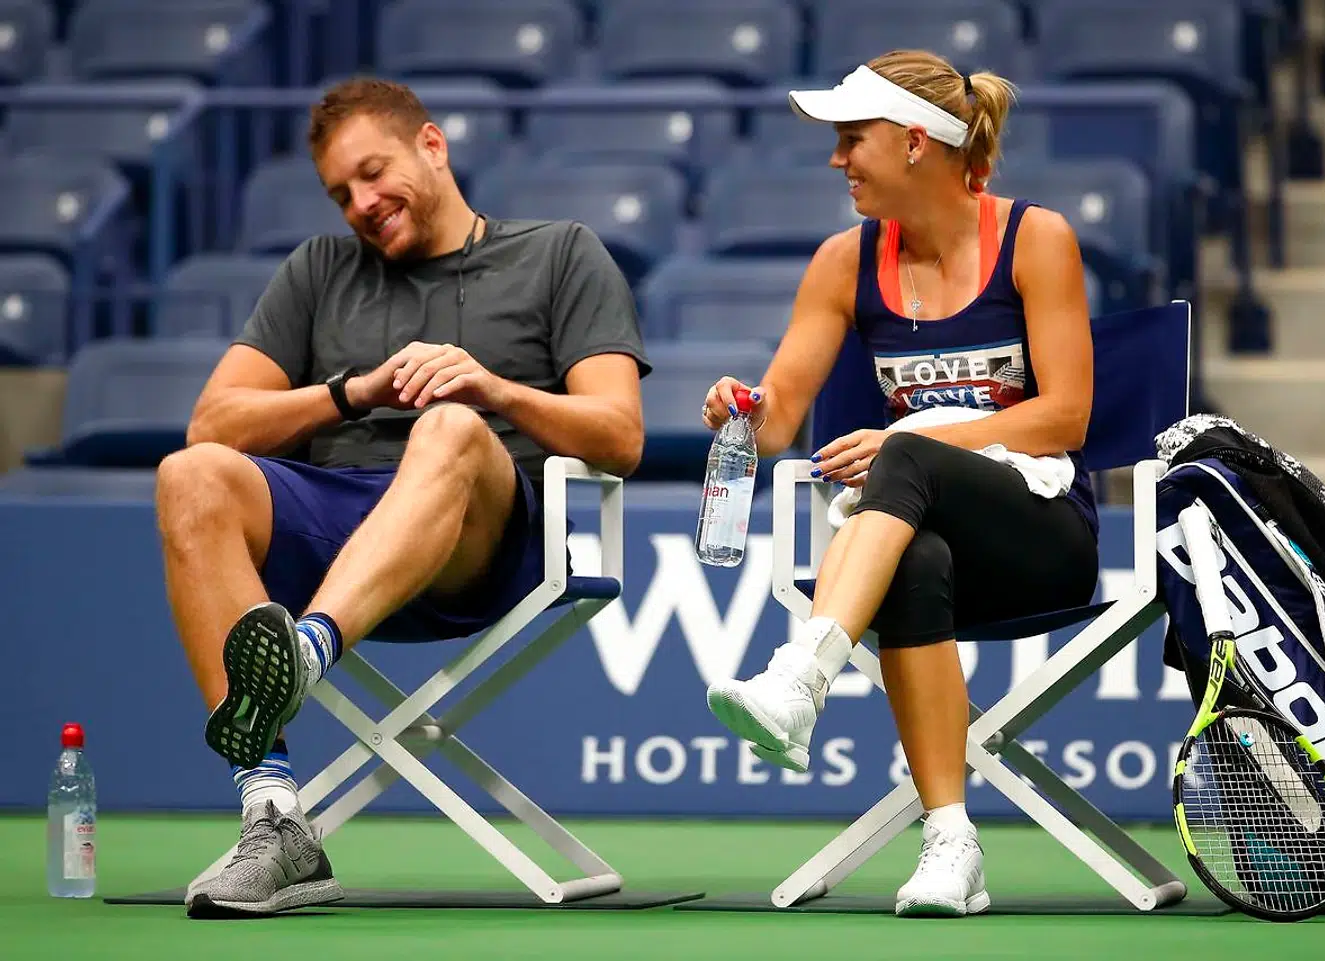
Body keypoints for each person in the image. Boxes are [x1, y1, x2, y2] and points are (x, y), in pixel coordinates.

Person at [155, 77, 650, 918]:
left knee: (450, 428)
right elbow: (214, 420)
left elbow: (621, 435)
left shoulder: (560, 251)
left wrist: (495, 389)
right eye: (341, 193)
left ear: (433, 145)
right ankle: (274, 818)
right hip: (337, 527)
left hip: (483, 544)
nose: (360, 203)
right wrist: (354, 391)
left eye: (374, 172)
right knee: (189, 473)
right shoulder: (317, 269)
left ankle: (300, 659)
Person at [701, 50, 1100, 918]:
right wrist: (738, 408)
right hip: (924, 543)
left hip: (1040, 536)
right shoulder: (844, 262)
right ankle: (951, 841)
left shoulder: (1036, 239)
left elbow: (1066, 416)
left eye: (852, 140)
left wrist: (912, 433)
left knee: (908, 451)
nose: (837, 160)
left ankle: (803, 674)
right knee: (911, 560)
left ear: (916, 143)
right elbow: (774, 424)